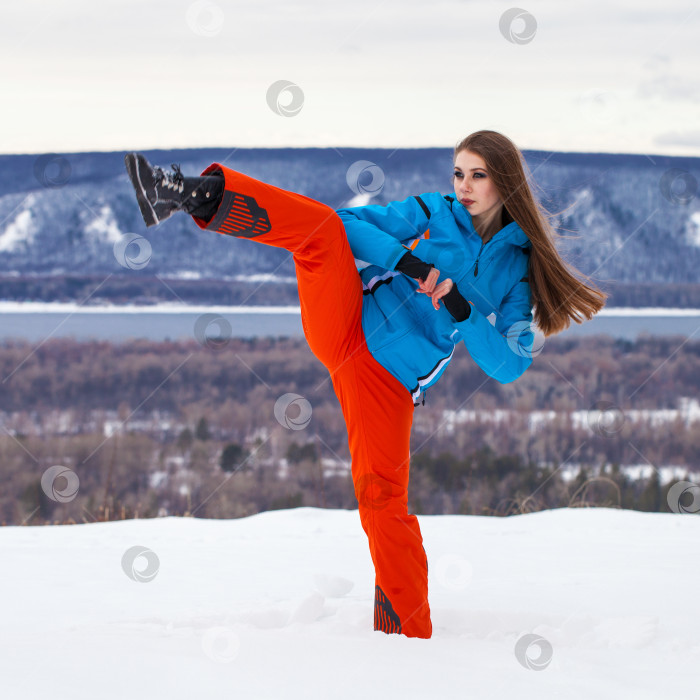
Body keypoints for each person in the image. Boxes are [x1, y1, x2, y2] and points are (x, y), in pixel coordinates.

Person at [124, 130, 607, 639]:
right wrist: (409, 261)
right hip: (350, 319)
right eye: (459, 173)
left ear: (505, 182)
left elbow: (508, 364)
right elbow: (349, 224)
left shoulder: (518, 270)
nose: (463, 186)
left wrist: (462, 308)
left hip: (389, 380)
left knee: (383, 502)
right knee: (320, 228)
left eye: (478, 176)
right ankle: (189, 193)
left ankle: (406, 638)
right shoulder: (434, 211)